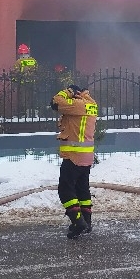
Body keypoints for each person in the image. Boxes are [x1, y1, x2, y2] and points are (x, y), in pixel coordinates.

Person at [50, 84, 98, 238]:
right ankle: (87, 221)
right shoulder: (91, 104)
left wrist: (66, 92)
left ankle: (78, 222)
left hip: (74, 156)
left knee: (65, 190)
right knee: (82, 189)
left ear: (76, 94)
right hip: (86, 156)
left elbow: (55, 103)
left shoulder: (78, 105)